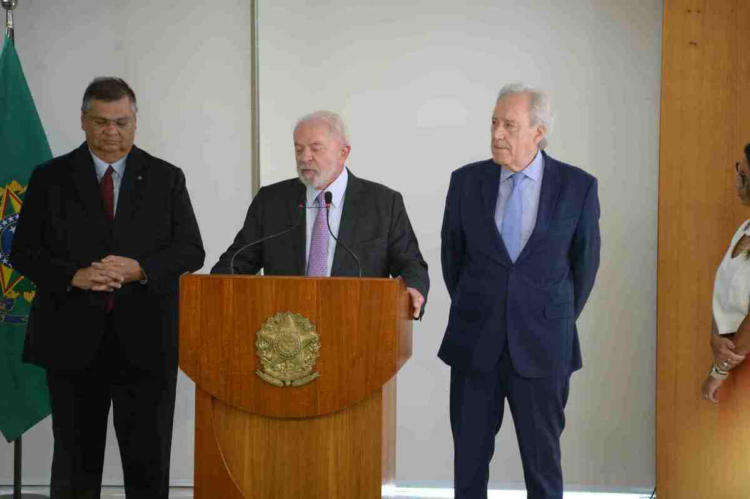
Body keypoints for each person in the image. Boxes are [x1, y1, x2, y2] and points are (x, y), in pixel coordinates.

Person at [10, 77, 205, 499]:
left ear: (135, 121)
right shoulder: (50, 177)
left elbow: (191, 251)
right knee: (75, 466)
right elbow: (23, 252)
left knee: (148, 464)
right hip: (71, 342)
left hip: (147, 344)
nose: (111, 132)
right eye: (101, 122)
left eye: (121, 122)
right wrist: (73, 275)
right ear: (83, 121)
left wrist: (141, 269)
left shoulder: (166, 178)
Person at [438, 83, 600, 499]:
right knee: (469, 466)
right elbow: (452, 260)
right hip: (475, 344)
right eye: (494, 122)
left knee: (543, 466)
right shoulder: (465, 182)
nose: (497, 134)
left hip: (544, 346)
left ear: (539, 131)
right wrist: (485, 306)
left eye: (509, 125)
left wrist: (545, 314)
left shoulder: (577, 187)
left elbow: (583, 267)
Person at [211, 110, 429, 318]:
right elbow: (238, 260)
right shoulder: (271, 201)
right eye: (298, 149)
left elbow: (410, 263)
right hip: (285, 333)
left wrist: (413, 289)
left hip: (358, 328)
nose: (305, 157)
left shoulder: (383, 203)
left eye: (316, 148)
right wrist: (211, 290)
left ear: (344, 152)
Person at [701, 143, 750, 403]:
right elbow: (723, 292)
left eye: (743, 176)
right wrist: (715, 337)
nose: (736, 183)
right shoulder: (744, 229)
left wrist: (719, 369)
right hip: (736, 365)